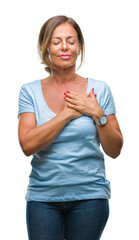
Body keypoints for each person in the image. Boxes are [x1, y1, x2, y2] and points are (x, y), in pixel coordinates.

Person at [18, 15, 123, 240]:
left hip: (90, 198)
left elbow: (115, 150)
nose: (64, 47)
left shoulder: (99, 90)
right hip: (43, 199)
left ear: (79, 47)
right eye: (56, 42)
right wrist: (66, 114)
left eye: (71, 41)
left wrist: (98, 114)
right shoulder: (30, 91)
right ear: (45, 47)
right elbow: (27, 145)